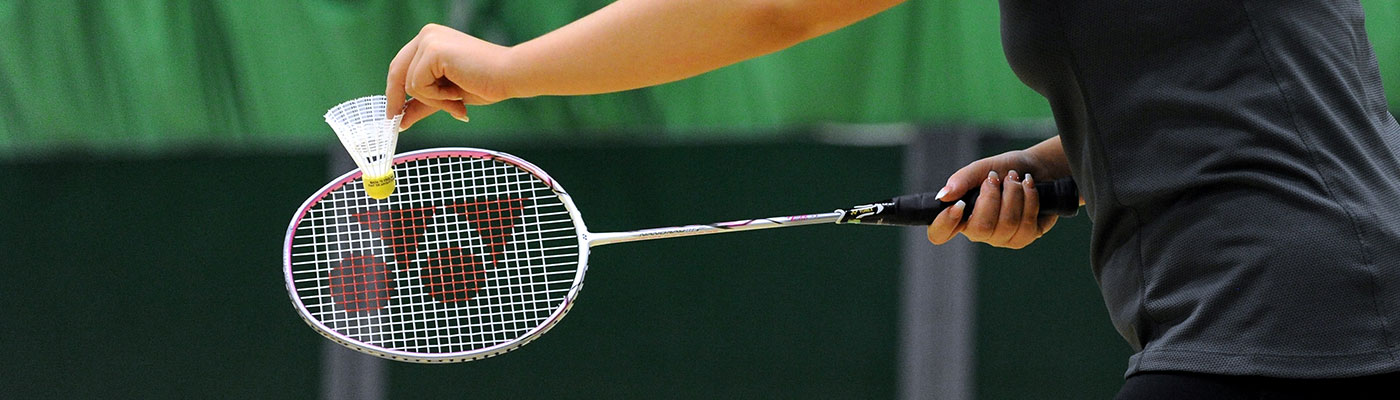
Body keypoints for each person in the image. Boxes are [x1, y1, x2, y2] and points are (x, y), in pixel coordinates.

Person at [384, 1, 1400, 397]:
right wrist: (1065, 165)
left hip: (1277, 332)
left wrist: (508, 65)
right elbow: (1266, 88)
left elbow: (768, 8)